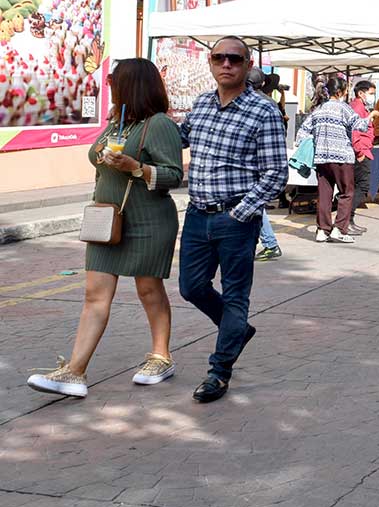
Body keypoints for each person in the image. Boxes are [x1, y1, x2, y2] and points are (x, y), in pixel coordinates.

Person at [27, 59, 184, 399]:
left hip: (148, 220)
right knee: (94, 294)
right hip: (107, 219)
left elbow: (173, 175)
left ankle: (161, 356)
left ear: (133, 84)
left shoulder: (159, 125)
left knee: (148, 290)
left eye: (115, 78)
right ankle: (75, 370)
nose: (109, 83)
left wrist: (136, 167)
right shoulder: (117, 122)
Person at [177, 36, 288, 403]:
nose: (226, 64)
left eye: (234, 59)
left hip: (236, 217)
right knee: (191, 288)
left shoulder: (263, 110)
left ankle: (218, 371)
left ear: (247, 63)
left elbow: (275, 173)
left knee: (236, 296)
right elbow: (179, 138)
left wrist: (241, 213)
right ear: (210, 63)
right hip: (197, 215)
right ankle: (236, 330)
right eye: (219, 58)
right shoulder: (202, 104)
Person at [297, 78, 377, 243]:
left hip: (321, 158)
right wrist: (371, 116)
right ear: (341, 91)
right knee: (347, 192)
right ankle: (339, 229)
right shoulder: (344, 108)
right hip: (341, 157)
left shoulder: (318, 109)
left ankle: (322, 230)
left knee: (325, 195)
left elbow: (302, 133)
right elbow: (360, 126)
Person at [246, 67, 283, 261]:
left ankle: (269, 242)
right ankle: (268, 242)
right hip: (262, 162)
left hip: (254, 163)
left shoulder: (255, 103)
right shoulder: (269, 103)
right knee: (254, 203)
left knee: (253, 203)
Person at [349, 80, 377, 231]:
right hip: (360, 151)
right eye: (371, 94)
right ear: (361, 93)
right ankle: (347, 218)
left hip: (363, 149)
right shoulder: (357, 107)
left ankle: (349, 219)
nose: (373, 97)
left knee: (357, 186)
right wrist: (359, 151)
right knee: (362, 184)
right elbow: (354, 130)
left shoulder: (362, 107)